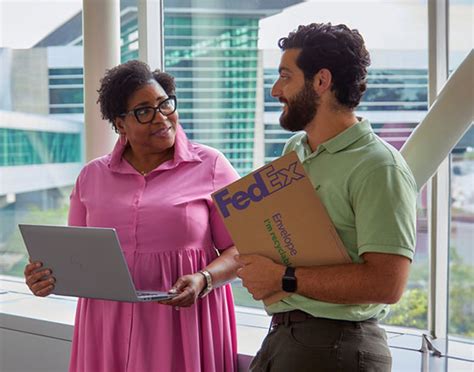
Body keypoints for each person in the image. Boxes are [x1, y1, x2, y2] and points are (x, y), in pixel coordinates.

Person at [24, 60, 240, 372]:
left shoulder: (213, 165)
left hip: (184, 321)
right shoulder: (91, 176)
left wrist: (205, 279)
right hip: (105, 326)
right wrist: (44, 278)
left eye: (165, 104)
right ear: (120, 123)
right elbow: (75, 258)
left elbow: (245, 248)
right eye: (144, 111)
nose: (162, 118)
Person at [236, 23, 417, 372]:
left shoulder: (379, 167)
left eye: (285, 76)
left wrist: (283, 278)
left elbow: (387, 283)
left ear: (321, 81)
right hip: (285, 336)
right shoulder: (295, 150)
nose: (275, 90)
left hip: (336, 346)